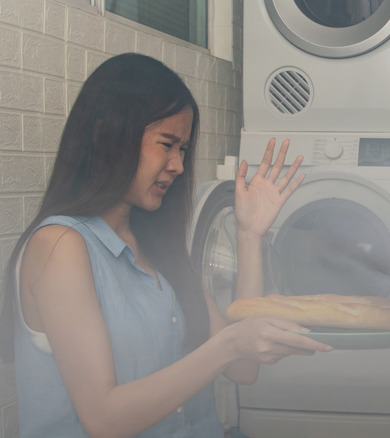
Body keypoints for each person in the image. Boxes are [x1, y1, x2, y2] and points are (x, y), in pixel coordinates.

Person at [0, 53, 332, 438]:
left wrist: (249, 235)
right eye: (167, 144)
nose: (178, 165)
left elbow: (244, 368)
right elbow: (104, 419)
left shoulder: (157, 249)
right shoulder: (59, 246)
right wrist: (228, 343)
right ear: (106, 134)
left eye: (184, 150)